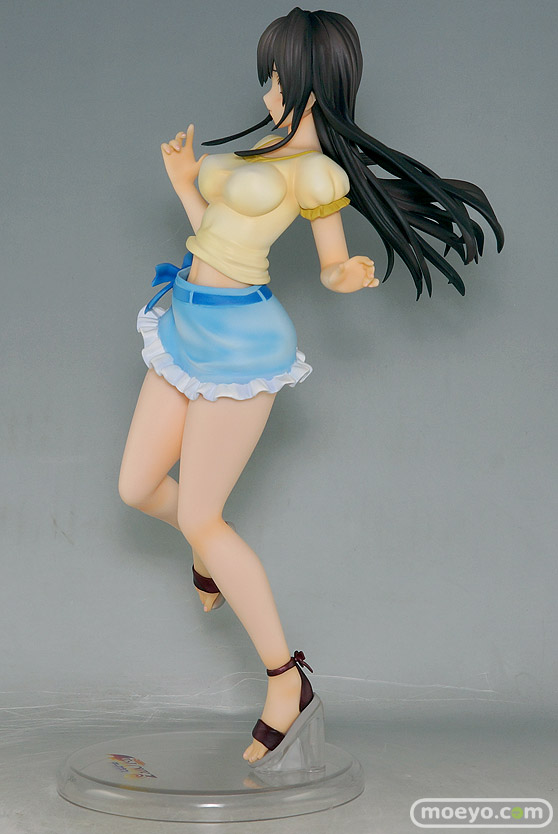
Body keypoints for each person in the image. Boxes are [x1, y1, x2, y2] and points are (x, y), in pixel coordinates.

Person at [118, 7, 504, 770]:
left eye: (284, 79)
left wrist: (346, 273)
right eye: (268, 77)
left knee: (202, 513)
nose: (270, 93)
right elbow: (215, 232)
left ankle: (285, 680)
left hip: (242, 342)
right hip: (185, 319)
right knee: (137, 489)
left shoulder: (318, 172)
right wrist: (185, 184)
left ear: (320, 86)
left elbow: (330, 261)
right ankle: (208, 549)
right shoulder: (259, 148)